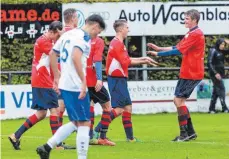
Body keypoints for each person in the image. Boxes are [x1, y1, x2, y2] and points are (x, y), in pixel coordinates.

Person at [36, 14, 106, 159]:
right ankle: (82, 157)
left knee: (76, 122)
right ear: (95, 26)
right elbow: (75, 56)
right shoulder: (83, 39)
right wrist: (84, 81)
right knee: (85, 123)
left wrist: (56, 78)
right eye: (97, 32)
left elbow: (52, 54)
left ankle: (47, 147)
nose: (96, 36)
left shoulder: (68, 34)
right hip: (75, 85)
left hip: (65, 84)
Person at [147, 9, 205, 142]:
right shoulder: (192, 33)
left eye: (187, 19)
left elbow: (178, 50)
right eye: (185, 18)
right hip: (188, 72)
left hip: (192, 72)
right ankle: (189, 132)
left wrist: (158, 55)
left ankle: (185, 134)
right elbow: (177, 46)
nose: (185, 21)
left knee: (178, 101)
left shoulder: (195, 34)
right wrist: (159, 48)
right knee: (178, 101)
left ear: (195, 20)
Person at [8, 21, 63, 150]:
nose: (58, 38)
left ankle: (16, 135)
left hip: (39, 79)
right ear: (54, 32)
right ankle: (57, 144)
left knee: (42, 113)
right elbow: (58, 54)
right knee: (54, 109)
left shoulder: (45, 40)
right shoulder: (45, 42)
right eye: (58, 35)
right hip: (43, 81)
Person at [102, 19, 158, 142]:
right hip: (116, 79)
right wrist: (145, 60)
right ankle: (99, 130)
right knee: (119, 109)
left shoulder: (118, 43)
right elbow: (127, 62)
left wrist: (144, 59)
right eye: (127, 27)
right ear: (121, 29)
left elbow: (127, 59)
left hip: (119, 79)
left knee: (127, 108)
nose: (129, 30)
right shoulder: (117, 44)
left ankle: (130, 138)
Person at [86, 36, 115, 146]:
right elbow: (97, 61)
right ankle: (102, 137)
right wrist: (99, 78)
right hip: (93, 80)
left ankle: (89, 137)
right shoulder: (98, 41)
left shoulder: (80, 39)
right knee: (107, 106)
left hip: (82, 80)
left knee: (90, 105)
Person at [57, 8, 78, 128]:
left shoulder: (60, 34)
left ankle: (58, 139)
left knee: (61, 107)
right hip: (71, 76)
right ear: (73, 18)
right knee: (77, 109)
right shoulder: (76, 34)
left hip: (62, 76)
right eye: (77, 17)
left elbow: (53, 54)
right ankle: (85, 134)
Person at [207, 38, 229, 113]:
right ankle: (225, 108)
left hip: (220, 74)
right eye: (221, 44)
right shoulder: (213, 50)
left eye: (224, 44)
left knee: (216, 92)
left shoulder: (222, 51)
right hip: (215, 74)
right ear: (218, 43)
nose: (223, 46)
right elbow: (209, 63)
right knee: (222, 89)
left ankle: (211, 109)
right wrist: (215, 73)